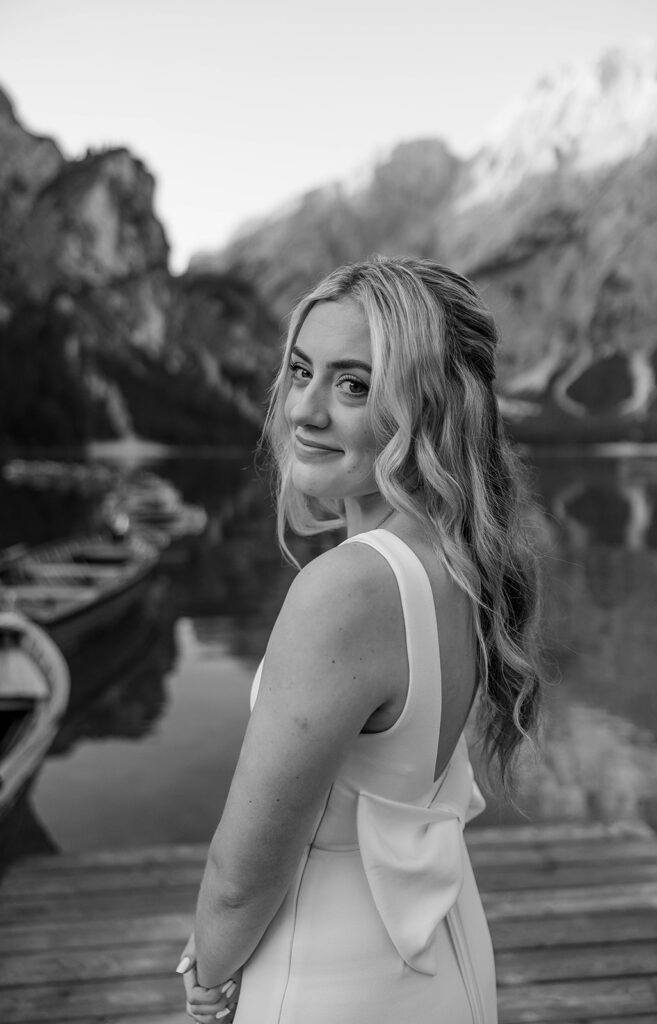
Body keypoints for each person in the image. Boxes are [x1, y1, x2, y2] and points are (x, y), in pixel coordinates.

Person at [176, 255, 541, 1024]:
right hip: (444, 960)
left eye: (353, 385)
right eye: (300, 370)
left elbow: (242, 872)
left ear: (425, 407)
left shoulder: (345, 589)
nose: (305, 410)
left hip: (329, 979)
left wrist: (207, 973)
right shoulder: (460, 560)